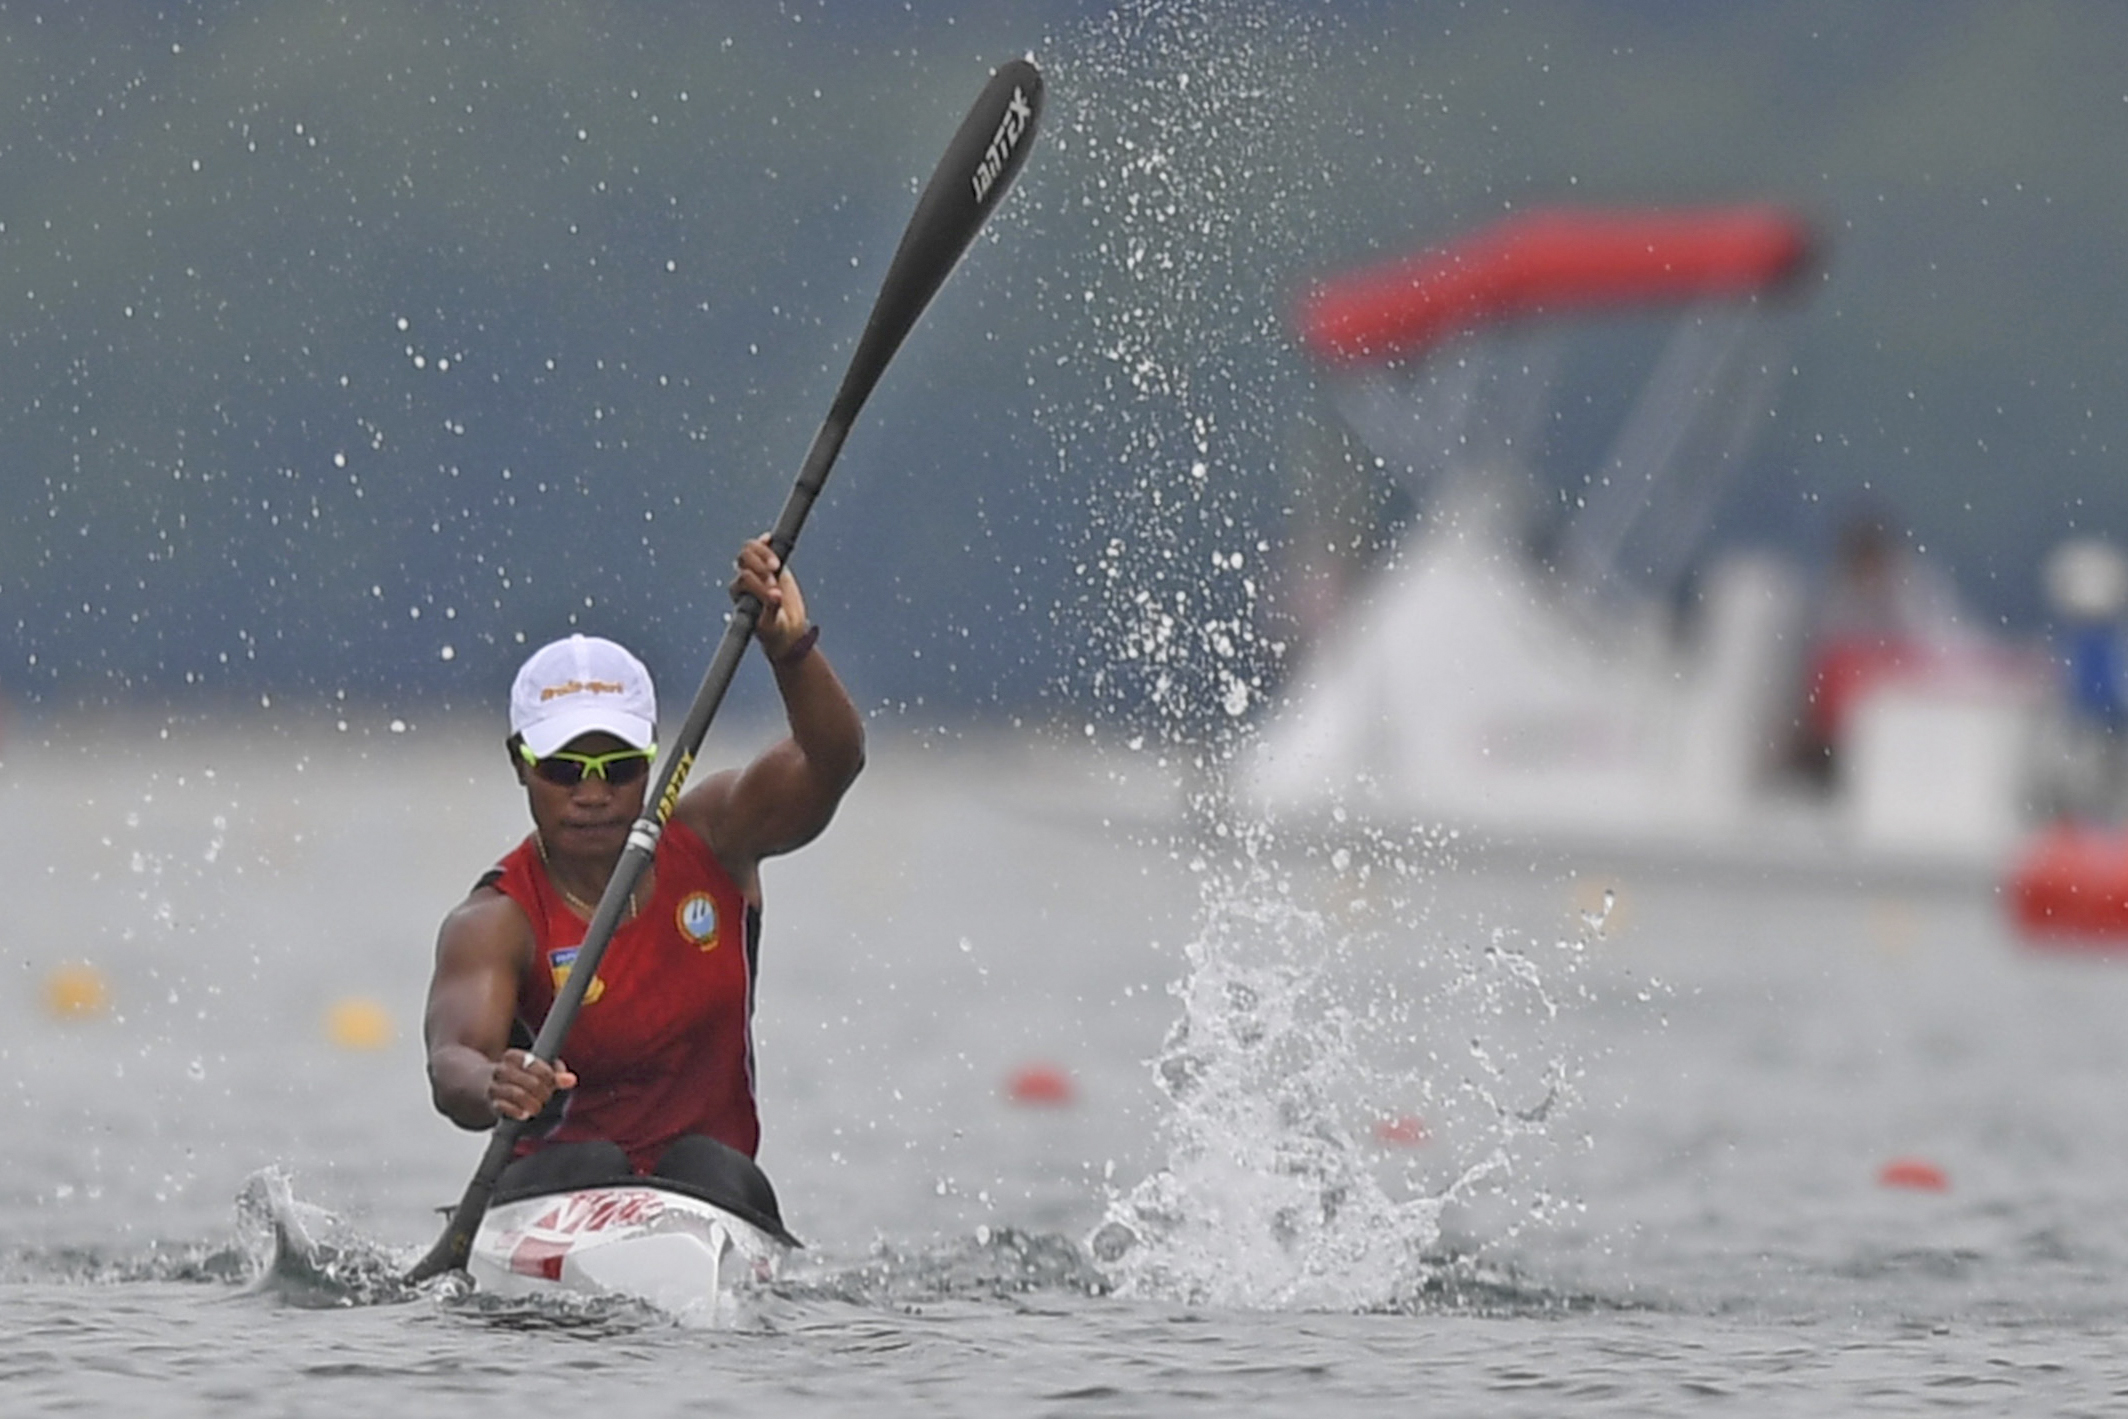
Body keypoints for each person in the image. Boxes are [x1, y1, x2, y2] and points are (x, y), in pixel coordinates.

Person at [421, 536, 864, 1243]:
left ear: (655, 755)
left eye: (619, 765)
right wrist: (493, 1083)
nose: (592, 793)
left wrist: (790, 648)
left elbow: (833, 761)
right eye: (565, 768)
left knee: (715, 1169)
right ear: (519, 763)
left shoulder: (718, 837)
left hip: (710, 1198)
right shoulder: (497, 920)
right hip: (552, 1196)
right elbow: (453, 1064)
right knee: (590, 1160)